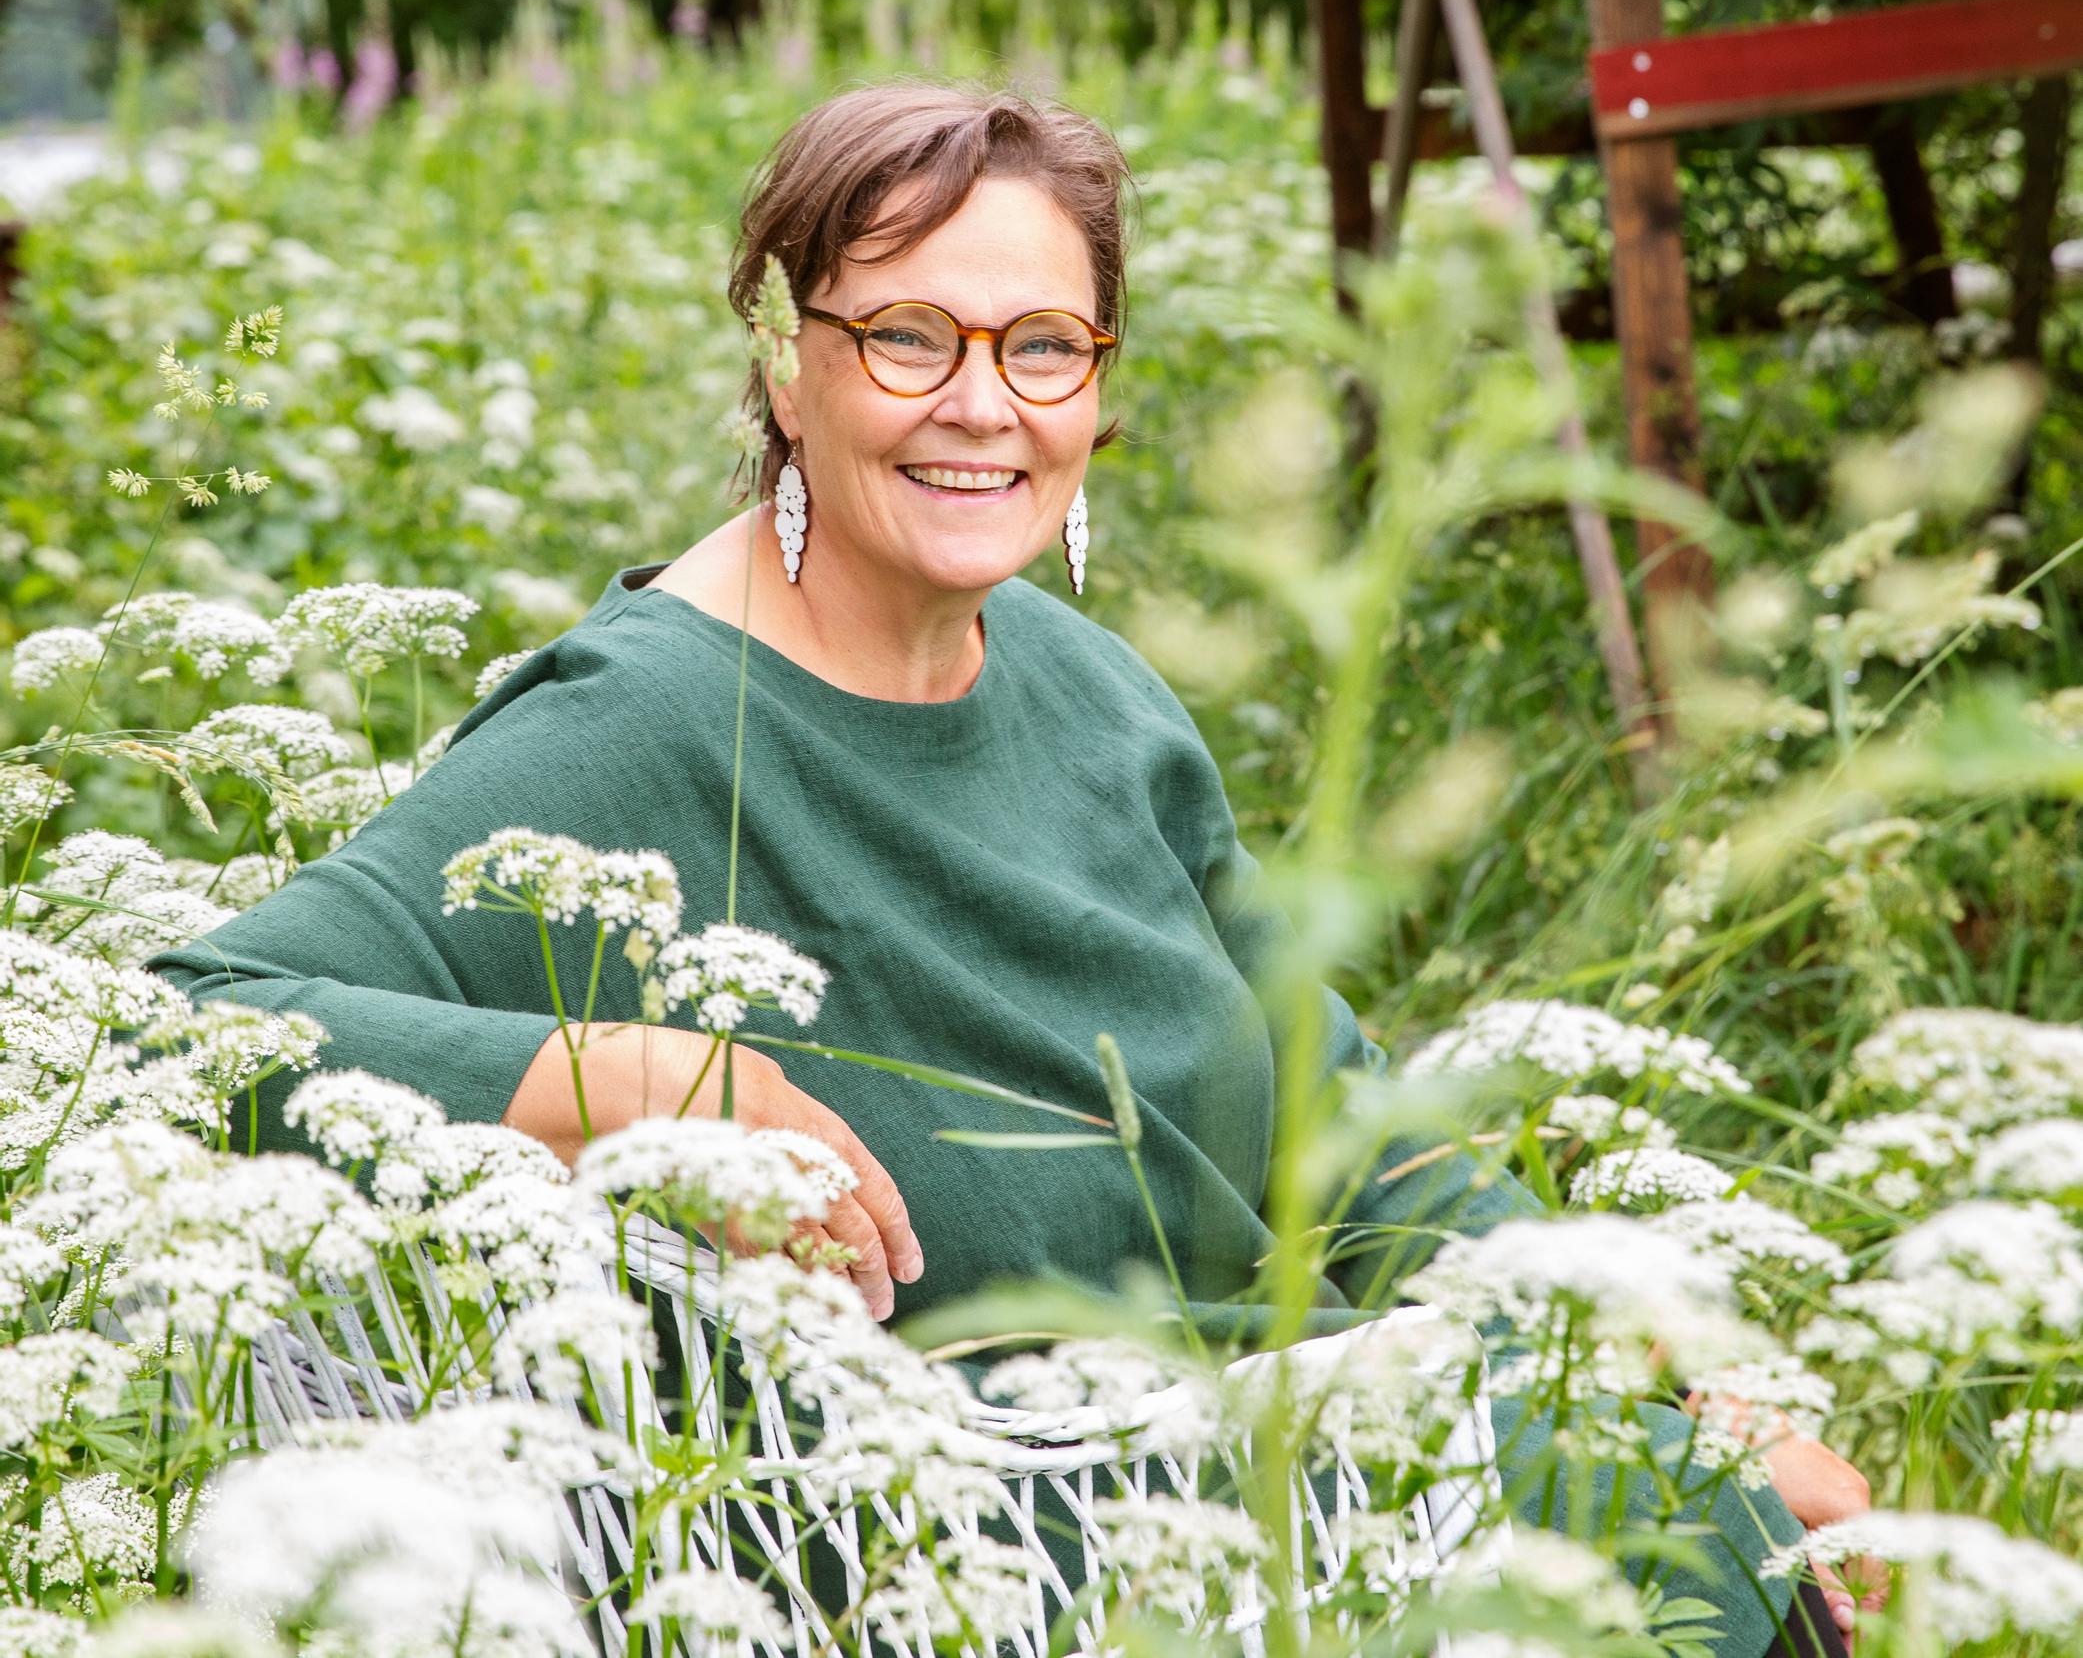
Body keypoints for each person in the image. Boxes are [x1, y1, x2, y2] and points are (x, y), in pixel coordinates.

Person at [148, 81, 1869, 1654]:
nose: (983, 404)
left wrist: (1695, 1376)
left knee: (1658, 1481)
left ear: (1101, 385)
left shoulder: (1093, 687)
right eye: (907, 336)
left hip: (1258, 1448)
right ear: (781, 363)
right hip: (961, 1539)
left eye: (1044, 346)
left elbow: (1330, 1115)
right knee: (1607, 1499)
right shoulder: (647, 717)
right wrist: (632, 1070)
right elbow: (178, 1031)